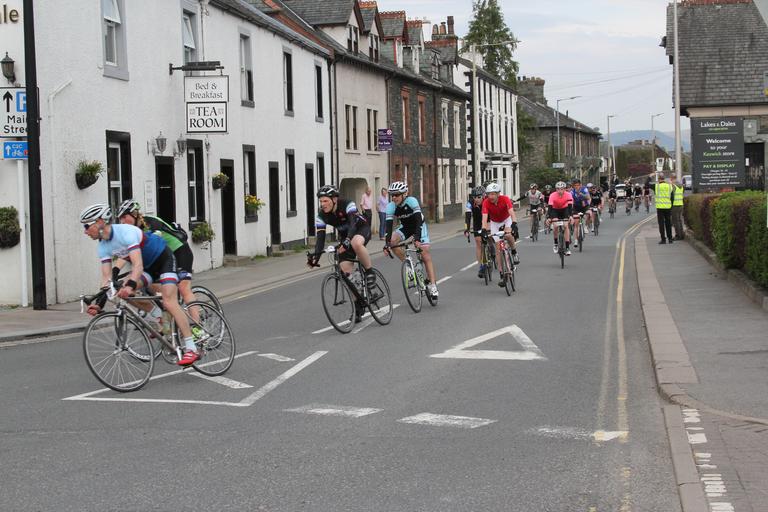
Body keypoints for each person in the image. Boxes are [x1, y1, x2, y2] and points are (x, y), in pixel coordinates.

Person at [79, 203, 202, 366]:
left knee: (169, 301)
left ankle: (192, 348)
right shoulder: (103, 247)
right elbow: (106, 278)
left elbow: (137, 265)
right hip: (149, 269)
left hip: (163, 260)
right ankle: (160, 317)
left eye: (87, 226)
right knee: (122, 293)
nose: (85, 231)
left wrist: (130, 285)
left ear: (100, 222)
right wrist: (99, 303)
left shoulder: (126, 232)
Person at [116, 199, 196, 318]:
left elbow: (154, 245)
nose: (122, 222)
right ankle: (166, 316)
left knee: (183, 288)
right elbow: (126, 252)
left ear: (134, 214)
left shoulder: (151, 223)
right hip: (162, 259)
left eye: (124, 217)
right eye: (120, 219)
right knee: (151, 286)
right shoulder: (131, 232)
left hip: (179, 251)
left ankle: (197, 325)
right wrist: (115, 271)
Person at [308, 185, 375, 321]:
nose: (323, 204)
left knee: (356, 243)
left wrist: (347, 241)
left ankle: (369, 272)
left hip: (360, 229)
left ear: (334, 200)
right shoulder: (321, 216)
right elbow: (320, 239)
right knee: (345, 273)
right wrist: (315, 258)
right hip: (345, 237)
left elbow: (353, 224)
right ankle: (358, 305)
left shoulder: (347, 204)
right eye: (321, 201)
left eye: (325, 201)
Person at [384, 181, 440, 301]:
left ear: (404, 194)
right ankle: (409, 264)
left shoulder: (412, 201)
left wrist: (417, 238)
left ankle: (433, 285)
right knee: (392, 241)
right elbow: (388, 228)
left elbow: (418, 220)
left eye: (396, 195)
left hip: (419, 226)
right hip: (405, 227)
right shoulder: (390, 207)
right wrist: (387, 244)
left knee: (424, 252)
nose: (394, 197)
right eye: (392, 195)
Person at [480, 182, 519, 288]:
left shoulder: (505, 199)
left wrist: (514, 223)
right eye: (489, 194)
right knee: (498, 249)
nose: (491, 196)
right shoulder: (486, 203)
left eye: (493, 194)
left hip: (506, 220)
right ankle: (502, 274)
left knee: (508, 235)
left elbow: (511, 213)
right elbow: (484, 218)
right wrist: (483, 229)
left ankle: (514, 252)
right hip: (495, 223)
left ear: (498, 194)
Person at [464, 185, 493, 278]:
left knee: (489, 236)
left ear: (483, 196)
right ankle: (481, 266)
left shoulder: (488, 201)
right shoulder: (469, 203)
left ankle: (492, 248)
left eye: (479, 197)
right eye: (474, 197)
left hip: (488, 220)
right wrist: (467, 229)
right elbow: (467, 217)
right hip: (477, 222)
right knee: (478, 242)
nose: (476, 199)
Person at [546, 181, 573, 256]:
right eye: (558, 189)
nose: (560, 191)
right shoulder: (552, 195)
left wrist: (571, 216)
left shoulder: (568, 194)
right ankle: (555, 243)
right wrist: (549, 218)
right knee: (555, 225)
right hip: (555, 210)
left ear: (565, 189)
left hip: (565, 209)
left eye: (562, 189)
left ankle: (567, 247)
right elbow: (550, 207)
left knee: (566, 225)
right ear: (556, 189)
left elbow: (570, 207)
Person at [570, 178, 590, 247]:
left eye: (578, 185)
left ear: (580, 185)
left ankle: (585, 226)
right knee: (576, 223)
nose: (576, 187)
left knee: (588, 213)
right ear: (573, 186)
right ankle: (576, 240)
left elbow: (588, 197)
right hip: (576, 207)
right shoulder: (572, 191)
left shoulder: (584, 189)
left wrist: (580, 194)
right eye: (575, 185)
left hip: (584, 206)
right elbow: (570, 200)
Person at [655, 173, 674, 244]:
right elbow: (672, 197)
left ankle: (663, 239)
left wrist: (650, 177)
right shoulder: (669, 186)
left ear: (659, 179)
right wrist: (671, 205)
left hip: (660, 208)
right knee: (668, 223)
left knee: (661, 224)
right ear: (664, 179)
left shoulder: (656, 186)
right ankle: (670, 239)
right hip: (668, 207)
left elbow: (646, 184)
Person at [670, 175, 685, 240]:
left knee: (676, 221)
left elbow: (671, 196)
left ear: (672, 178)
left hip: (675, 205)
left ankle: (678, 236)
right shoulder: (681, 185)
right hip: (681, 204)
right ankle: (681, 234)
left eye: (671, 179)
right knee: (680, 220)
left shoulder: (673, 186)